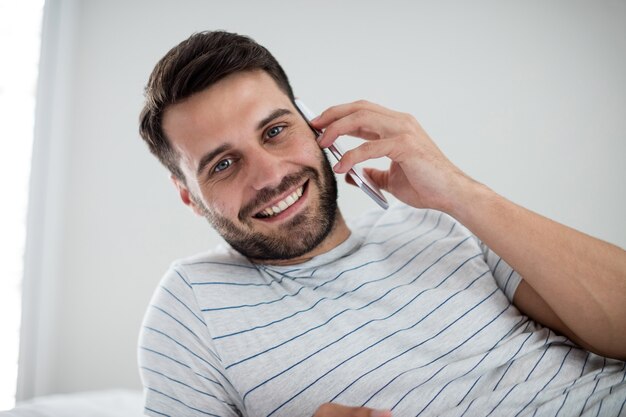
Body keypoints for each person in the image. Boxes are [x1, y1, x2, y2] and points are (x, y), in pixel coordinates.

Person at [137, 30, 626, 417]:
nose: (270, 174)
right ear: (190, 196)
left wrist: (458, 191)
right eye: (222, 164)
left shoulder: (440, 224)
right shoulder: (194, 302)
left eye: (276, 130)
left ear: (314, 125)